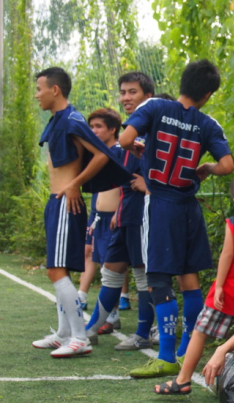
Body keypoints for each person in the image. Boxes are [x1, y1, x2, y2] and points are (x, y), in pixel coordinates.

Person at [119, 59, 234, 378]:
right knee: (189, 279)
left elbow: (126, 140)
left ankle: (166, 355)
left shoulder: (155, 107)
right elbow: (226, 164)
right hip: (189, 207)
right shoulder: (208, 123)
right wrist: (206, 168)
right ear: (208, 93)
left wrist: (142, 148)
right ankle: (186, 351)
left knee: (158, 279)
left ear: (182, 82)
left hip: (160, 205)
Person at [32, 67, 131, 358]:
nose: (37, 95)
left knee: (55, 270)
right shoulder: (58, 121)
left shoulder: (73, 119)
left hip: (66, 202)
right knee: (57, 268)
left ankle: (79, 337)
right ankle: (64, 333)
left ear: (55, 90)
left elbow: (103, 153)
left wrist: (75, 184)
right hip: (56, 202)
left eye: (39, 89)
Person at [153, 171, 234, 394]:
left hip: (226, 294)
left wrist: (219, 285)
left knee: (200, 332)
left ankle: (183, 380)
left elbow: (226, 256)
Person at [83, 71, 156, 350]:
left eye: (133, 92)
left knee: (142, 275)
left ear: (147, 96)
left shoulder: (153, 131)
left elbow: (164, 174)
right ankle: (88, 330)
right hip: (123, 216)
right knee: (111, 271)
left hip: (143, 217)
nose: (126, 97)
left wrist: (147, 184)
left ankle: (142, 333)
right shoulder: (129, 132)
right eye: (123, 92)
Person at [81, 109, 125, 333]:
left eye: (98, 126)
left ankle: (111, 316)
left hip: (114, 219)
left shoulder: (119, 152)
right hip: (99, 218)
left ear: (112, 129)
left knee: (112, 268)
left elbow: (124, 185)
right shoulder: (99, 153)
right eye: (91, 127)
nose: (93, 131)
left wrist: (119, 210)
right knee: (101, 266)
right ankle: (110, 316)